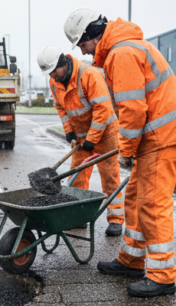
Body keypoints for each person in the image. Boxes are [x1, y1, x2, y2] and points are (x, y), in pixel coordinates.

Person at [63, 8, 176, 297]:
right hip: (155, 137)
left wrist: (124, 151)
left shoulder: (122, 54)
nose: (83, 52)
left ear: (92, 35)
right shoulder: (123, 48)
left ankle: (163, 276)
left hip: (160, 137)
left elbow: (133, 109)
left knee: (152, 205)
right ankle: (131, 259)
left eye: (82, 44)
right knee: (136, 199)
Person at [37, 45, 125, 237]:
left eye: (53, 71)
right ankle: (78, 217)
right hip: (81, 136)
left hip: (106, 133)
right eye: (48, 73)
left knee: (109, 176)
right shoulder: (55, 82)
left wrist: (92, 139)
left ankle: (115, 219)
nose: (51, 76)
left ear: (62, 63)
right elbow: (61, 107)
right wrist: (69, 132)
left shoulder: (88, 74)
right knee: (76, 177)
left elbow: (103, 108)